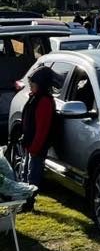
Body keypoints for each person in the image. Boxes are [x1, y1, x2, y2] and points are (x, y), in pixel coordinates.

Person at [21, 66, 56, 210]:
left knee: (32, 175)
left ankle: (29, 203)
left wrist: (35, 147)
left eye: (33, 84)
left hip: (37, 147)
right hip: (30, 144)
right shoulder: (35, 98)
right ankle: (24, 200)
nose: (31, 86)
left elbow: (42, 129)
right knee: (25, 172)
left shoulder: (44, 102)